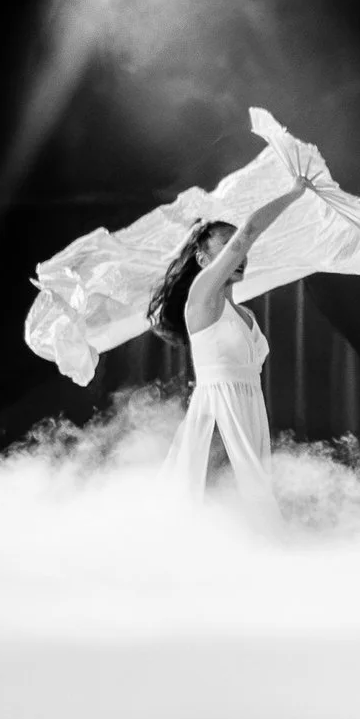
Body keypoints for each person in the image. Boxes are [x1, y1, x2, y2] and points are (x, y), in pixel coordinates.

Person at [144, 174, 313, 519]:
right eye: (228, 245)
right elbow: (249, 231)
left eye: (239, 248)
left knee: (254, 510)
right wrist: (294, 193)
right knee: (221, 509)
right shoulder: (202, 298)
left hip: (250, 412)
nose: (240, 253)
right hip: (218, 414)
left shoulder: (245, 313)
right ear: (203, 259)